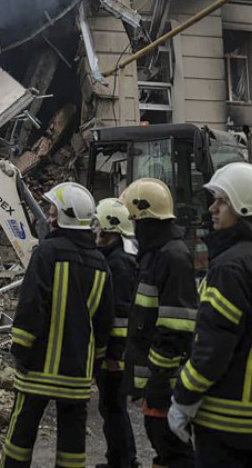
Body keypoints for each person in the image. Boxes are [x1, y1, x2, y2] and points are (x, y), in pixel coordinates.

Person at [168, 162, 252, 468]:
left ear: (244, 206)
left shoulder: (231, 266)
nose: (213, 208)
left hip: (227, 424)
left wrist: (183, 398)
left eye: (222, 201)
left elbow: (212, 348)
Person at [1, 181, 115, 468]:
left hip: (38, 368)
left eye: (52, 212)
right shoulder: (101, 263)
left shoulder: (46, 253)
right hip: (77, 373)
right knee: (72, 445)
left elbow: (30, 306)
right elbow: (104, 322)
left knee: (21, 435)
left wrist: (20, 349)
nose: (48, 217)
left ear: (64, 216)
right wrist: (97, 360)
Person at [120, 178, 197, 468]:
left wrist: (160, 379)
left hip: (167, 380)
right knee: (161, 440)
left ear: (146, 219)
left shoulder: (172, 257)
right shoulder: (156, 255)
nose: (133, 228)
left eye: (135, 221)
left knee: (171, 445)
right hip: (158, 377)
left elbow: (175, 325)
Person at [93, 197, 140, 468]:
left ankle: (124, 462)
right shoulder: (114, 257)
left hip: (116, 354)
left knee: (114, 408)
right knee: (110, 407)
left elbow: (121, 316)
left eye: (97, 225)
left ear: (109, 229)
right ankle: (119, 459)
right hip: (116, 351)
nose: (94, 230)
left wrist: (113, 355)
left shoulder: (119, 264)